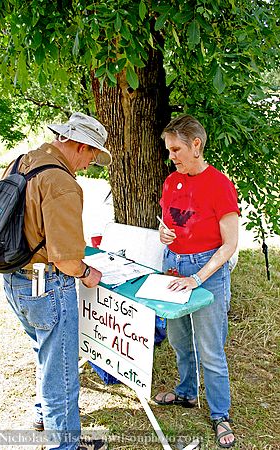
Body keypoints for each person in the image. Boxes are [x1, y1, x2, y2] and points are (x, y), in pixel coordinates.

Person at [3, 112, 112, 450]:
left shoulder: (21, 161)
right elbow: (66, 260)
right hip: (47, 285)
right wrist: (87, 272)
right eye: (91, 158)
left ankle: (43, 415)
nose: (87, 166)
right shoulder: (63, 182)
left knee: (45, 354)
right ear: (80, 146)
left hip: (15, 280)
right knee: (62, 372)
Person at [154, 115, 239, 449]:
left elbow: (230, 244)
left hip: (206, 271)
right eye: (169, 150)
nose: (171, 156)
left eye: (176, 149)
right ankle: (187, 393)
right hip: (173, 266)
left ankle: (220, 414)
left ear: (196, 145)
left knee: (210, 349)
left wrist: (197, 278)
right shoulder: (171, 181)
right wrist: (164, 234)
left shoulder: (220, 184)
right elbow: (169, 222)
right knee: (178, 338)